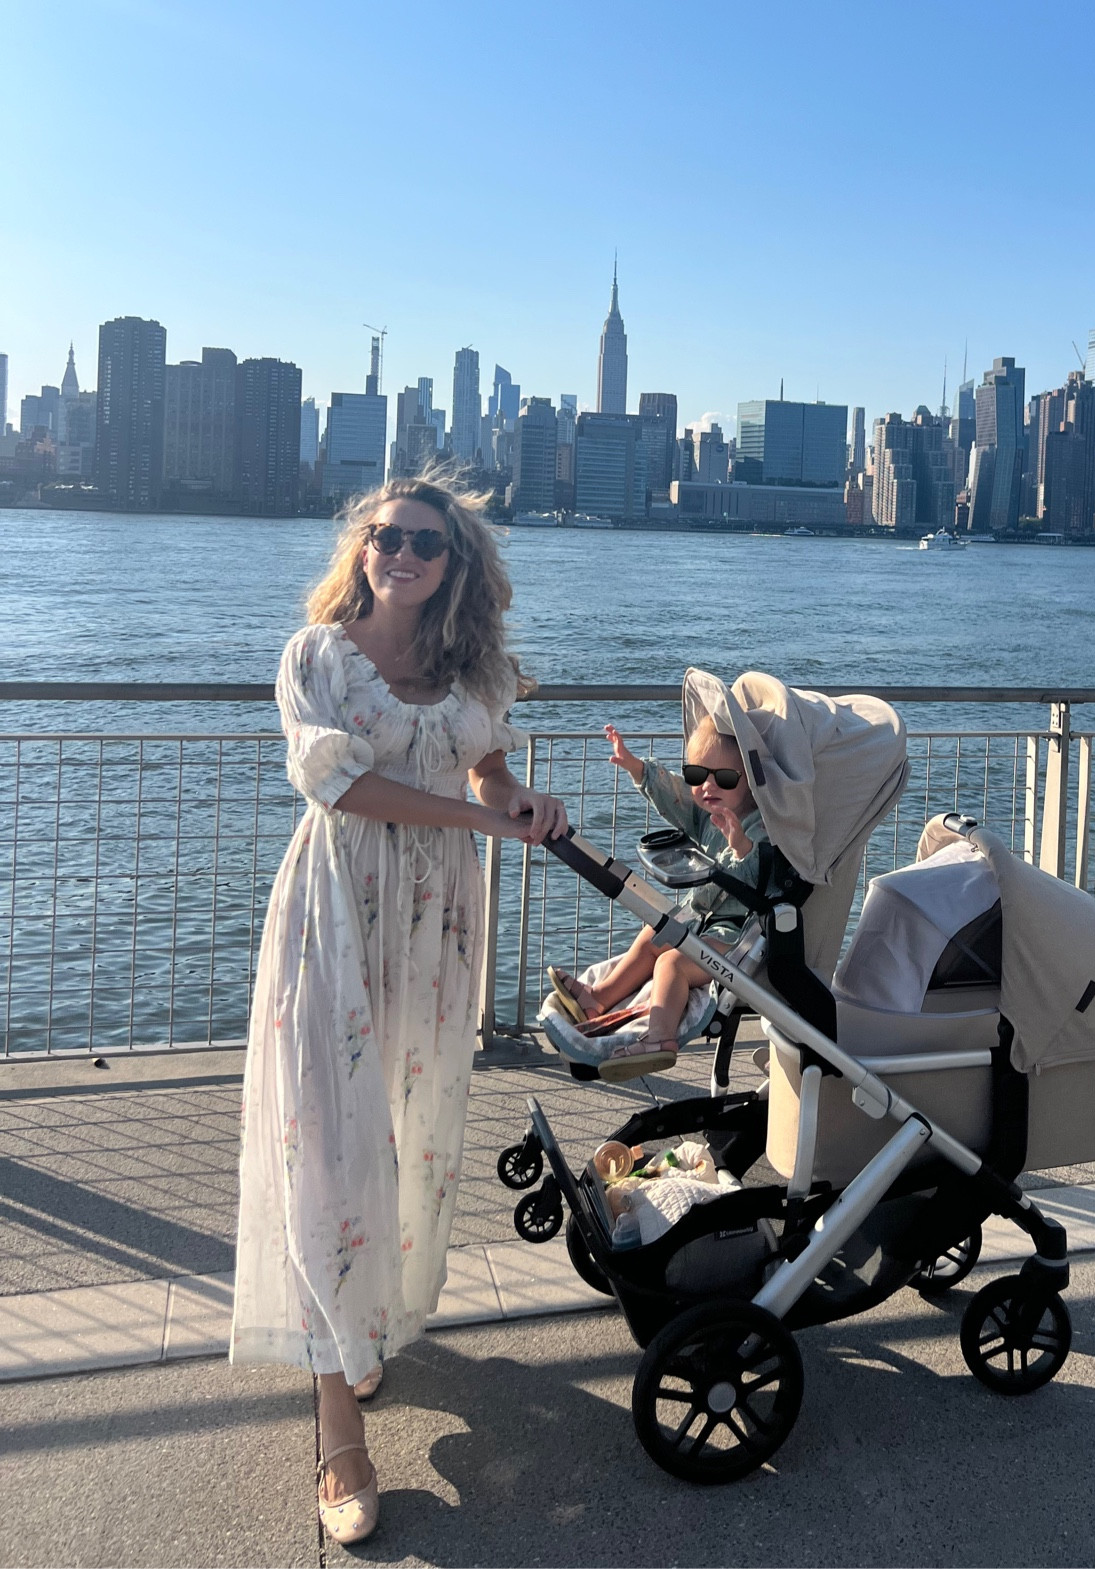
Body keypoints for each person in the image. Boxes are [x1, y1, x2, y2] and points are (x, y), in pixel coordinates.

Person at [229, 471, 566, 1547]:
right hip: (337, 913)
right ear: (362, 547)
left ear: (455, 563)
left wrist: (520, 804)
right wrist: (485, 827)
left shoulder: (476, 673)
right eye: (387, 536)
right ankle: (339, 1428)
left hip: (433, 934)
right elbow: (342, 789)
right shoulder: (317, 659)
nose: (404, 553)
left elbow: (487, 780)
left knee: (406, 1141)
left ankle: (358, 1323)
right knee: (325, 1146)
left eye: (427, 541)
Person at [546, 717, 776, 1079]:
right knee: (653, 935)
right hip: (706, 923)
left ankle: (659, 1038)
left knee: (671, 964)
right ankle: (599, 998)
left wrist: (741, 847)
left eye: (726, 779)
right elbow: (678, 799)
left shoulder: (760, 828)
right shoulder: (709, 813)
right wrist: (638, 769)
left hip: (737, 940)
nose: (708, 786)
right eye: (699, 775)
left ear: (748, 782)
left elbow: (752, 881)